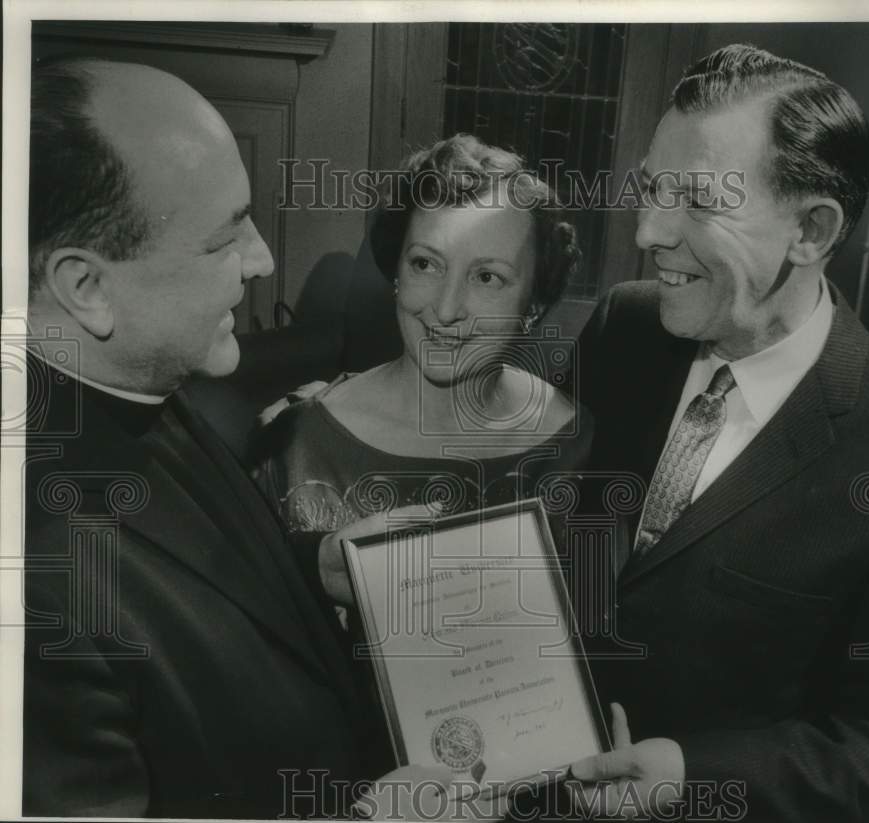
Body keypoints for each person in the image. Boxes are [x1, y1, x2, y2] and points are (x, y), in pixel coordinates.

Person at [23, 57, 454, 819]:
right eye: (225, 239)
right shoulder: (28, 582)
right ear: (85, 288)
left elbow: (182, 564)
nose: (261, 260)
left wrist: (316, 565)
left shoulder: (134, 373)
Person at [567, 44, 869, 821]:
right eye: (652, 187)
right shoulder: (622, 327)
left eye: (696, 199)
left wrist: (696, 774)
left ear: (812, 230)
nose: (649, 230)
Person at [254, 134, 587, 611]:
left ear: (533, 302)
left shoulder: (577, 447)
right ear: (395, 273)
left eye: (487, 276)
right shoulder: (297, 443)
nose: (446, 309)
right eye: (426, 264)